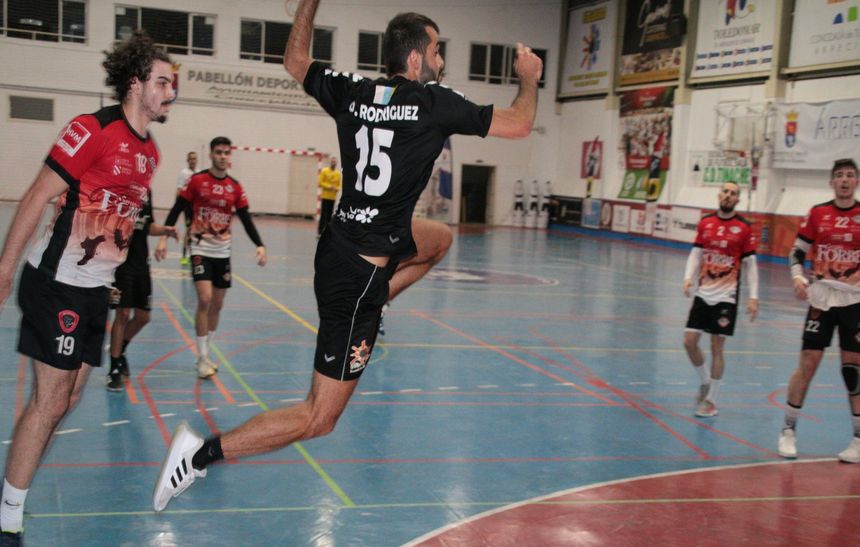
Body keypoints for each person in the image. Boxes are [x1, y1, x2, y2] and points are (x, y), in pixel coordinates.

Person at [152, 0, 542, 512]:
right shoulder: (434, 102)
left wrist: (309, 6)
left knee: (439, 239)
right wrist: (530, 79)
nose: (442, 58)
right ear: (418, 60)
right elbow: (518, 123)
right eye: (438, 49)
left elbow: (295, 61)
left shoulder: (352, 90)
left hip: (342, 245)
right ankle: (197, 456)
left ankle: (379, 305)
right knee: (320, 418)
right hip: (356, 278)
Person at [0, 30, 174, 545]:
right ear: (136, 82)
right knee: (50, 401)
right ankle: (8, 518)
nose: (172, 91)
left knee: (69, 395)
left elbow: (118, 221)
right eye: (163, 81)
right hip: (56, 282)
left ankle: (15, 484)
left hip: (95, 289)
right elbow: (36, 195)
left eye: (174, 84)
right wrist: (5, 268)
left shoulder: (151, 154)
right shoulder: (92, 129)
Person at [156, 136, 267, 379]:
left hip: (223, 252)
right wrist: (164, 237)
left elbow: (246, 218)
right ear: (211, 155)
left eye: (227, 153)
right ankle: (202, 357)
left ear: (230, 157)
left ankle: (207, 353)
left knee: (217, 304)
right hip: (200, 249)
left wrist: (259, 244)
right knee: (204, 300)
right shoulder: (197, 181)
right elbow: (176, 208)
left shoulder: (235, 187)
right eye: (218, 152)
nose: (223, 156)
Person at [779, 158, 860, 462]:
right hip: (821, 300)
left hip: (854, 304)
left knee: (853, 373)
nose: (844, 180)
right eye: (839, 175)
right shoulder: (818, 213)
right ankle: (788, 431)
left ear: (856, 182)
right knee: (808, 365)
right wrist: (798, 277)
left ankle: (858, 440)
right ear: (831, 182)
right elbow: (796, 252)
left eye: (850, 175)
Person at [682, 181, 758, 418]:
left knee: (717, 346)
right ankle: (705, 381)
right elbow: (696, 253)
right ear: (719, 195)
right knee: (689, 341)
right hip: (703, 293)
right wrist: (687, 277)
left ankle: (712, 400)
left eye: (733, 193)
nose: (728, 195)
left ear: (738, 199)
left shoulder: (744, 228)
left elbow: (751, 265)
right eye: (725, 191)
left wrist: (753, 297)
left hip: (727, 297)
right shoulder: (706, 222)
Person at [105, 190, 177, 391]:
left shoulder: (147, 192)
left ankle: (120, 351)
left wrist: (165, 230)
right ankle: (114, 370)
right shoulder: (118, 188)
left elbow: (147, 226)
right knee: (122, 313)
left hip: (141, 263)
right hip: (121, 263)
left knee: (143, 317)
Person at [176, 151, 198, 265]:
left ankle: (193, 255)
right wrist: (178, 207)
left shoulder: (199, 173)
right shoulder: (184, 173)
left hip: (197, 207)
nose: (193, 161)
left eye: (195, 158)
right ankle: (184, 255)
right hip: (187, 206)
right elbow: (179, 190)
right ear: (188, 160)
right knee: (189, 230)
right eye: (191, 159)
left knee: (196, 231)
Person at [317, 155, 342, 235]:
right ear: (330, 162)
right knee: (323, 215)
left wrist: (336, 188)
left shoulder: (338, 174)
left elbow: (339, 186)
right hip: (325, 196)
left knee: (329, 216)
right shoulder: (324, 171)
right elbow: (320, 183)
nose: (333, 163)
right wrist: (329, 186)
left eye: (335, 162)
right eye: (332, 162)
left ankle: (327, 233)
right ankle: (320, 232)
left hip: (332, 197)